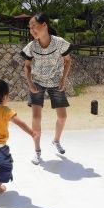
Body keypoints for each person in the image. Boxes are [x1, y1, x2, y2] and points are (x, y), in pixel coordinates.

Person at [20, 13, 72, 165]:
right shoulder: (31, 46)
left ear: (45, 25)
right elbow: (27, 66)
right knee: (36, 117)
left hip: (56, 82)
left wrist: (63, 79)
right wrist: (30, 83)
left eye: (34, 26)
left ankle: (56, 140)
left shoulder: (60, 43)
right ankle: (37, 151)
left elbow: (68, 61)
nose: (32, 30)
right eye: (30, 28)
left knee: (62, 117)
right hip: (37, 82)